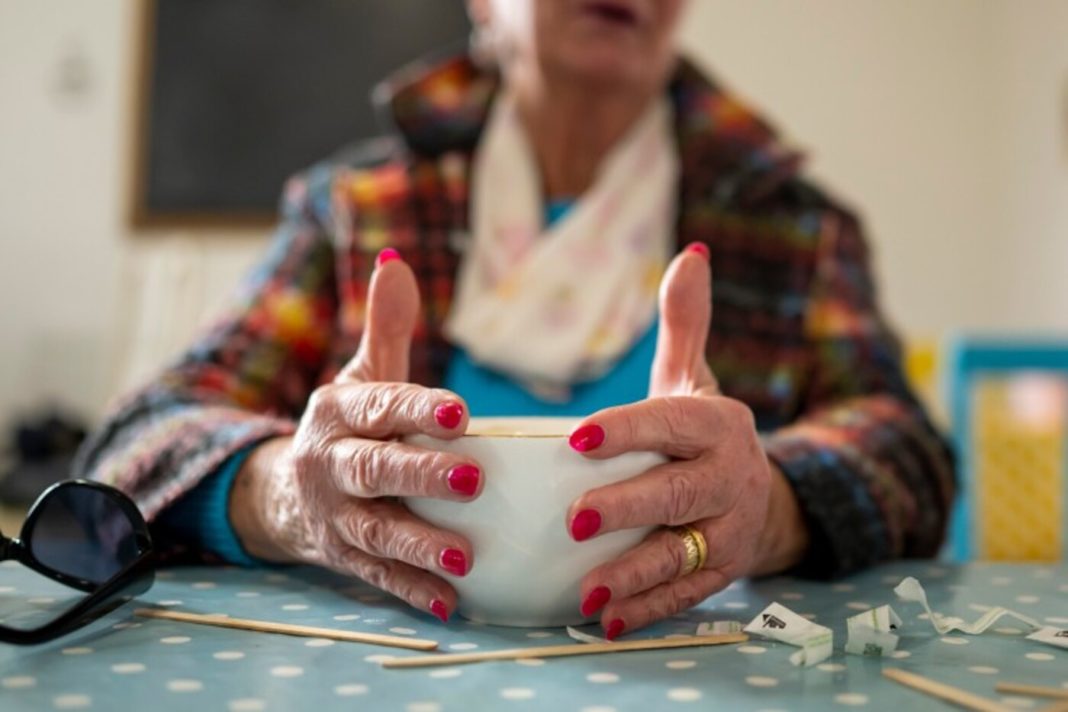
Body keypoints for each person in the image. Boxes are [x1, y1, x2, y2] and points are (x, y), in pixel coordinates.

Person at [75, 0, 954, 638]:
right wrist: (293, 495)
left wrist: (768, 508)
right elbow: (135, 444)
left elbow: (908, 450)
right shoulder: (354, 209)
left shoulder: (792, 229)